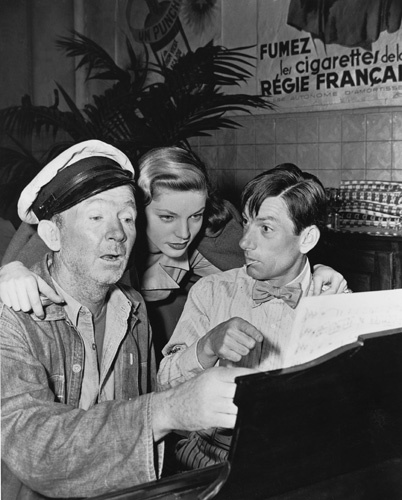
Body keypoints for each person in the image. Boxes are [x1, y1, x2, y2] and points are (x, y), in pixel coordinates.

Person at [0, 140, 257, 499]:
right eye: (96, 216)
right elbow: (35, 448)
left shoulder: (132, 308)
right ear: (53, 234)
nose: (118, 232)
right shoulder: (15, 316)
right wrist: (168, 410)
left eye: (127, 217)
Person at [0, 148, 346, 359]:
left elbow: (271, 264)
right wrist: (11, 273)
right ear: (134, 204)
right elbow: (32, 261)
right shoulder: (94, 227)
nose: (184, 234)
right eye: (166, 217)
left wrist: (318, 271)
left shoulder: (215, 230)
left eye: (194, 215)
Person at [157, 163, 351, 470]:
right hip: (210, 463)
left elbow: (355, 407)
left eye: (266, 228)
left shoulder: (334, 300)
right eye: (247, 223)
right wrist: (206, 347)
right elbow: (163, 387)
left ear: (307, 239)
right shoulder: (212, 292)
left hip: (302, 464)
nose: (245, 242)